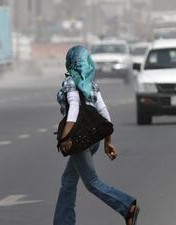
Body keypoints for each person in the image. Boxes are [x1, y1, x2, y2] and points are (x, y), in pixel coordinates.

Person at [54, 46, 139, 225]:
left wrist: (64, 137)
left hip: (79, 140)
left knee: (92, 182)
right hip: (93, 140)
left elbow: (74, 109)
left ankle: (127, 206)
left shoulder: (71, 82)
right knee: (68, 181)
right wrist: (108, 141)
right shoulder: (91, 84)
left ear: (70, 62)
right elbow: (103, 111)